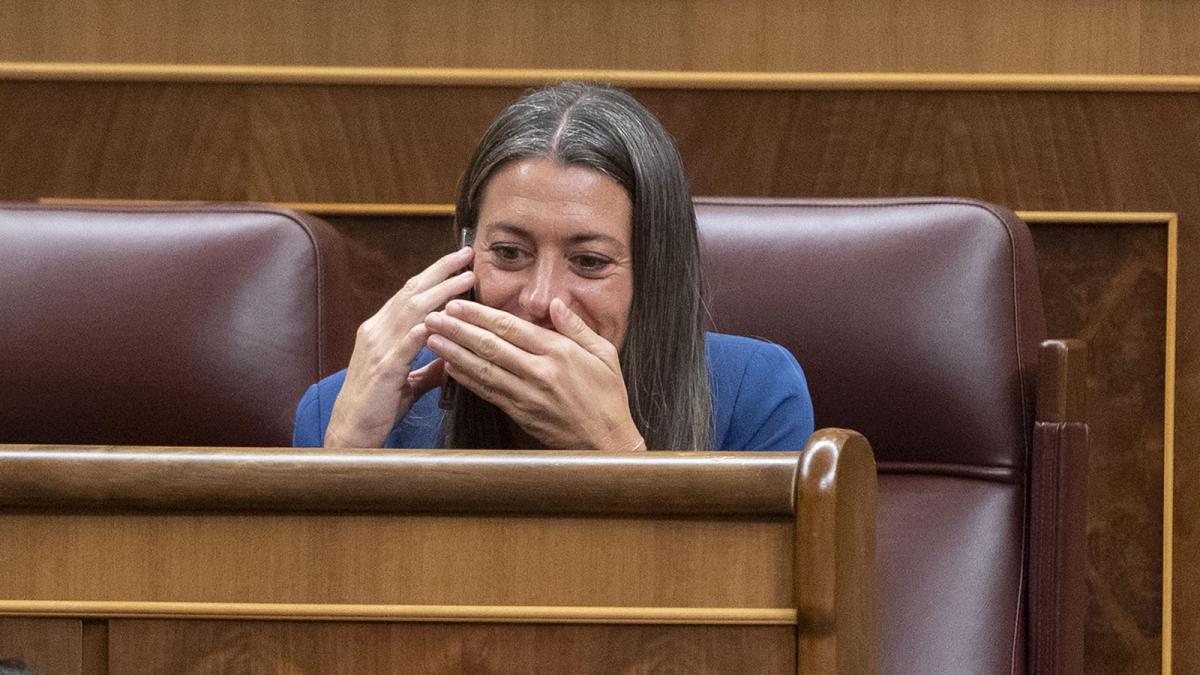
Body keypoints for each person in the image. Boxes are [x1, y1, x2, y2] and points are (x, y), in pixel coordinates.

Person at [294, 82, 813, 451]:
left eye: (589, 262)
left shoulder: (756, 394)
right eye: (509, 253)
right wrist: (346, 452)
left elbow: (734, 605)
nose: (541, 300)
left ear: (654, 273)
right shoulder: (343, 408)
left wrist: (614, 452)